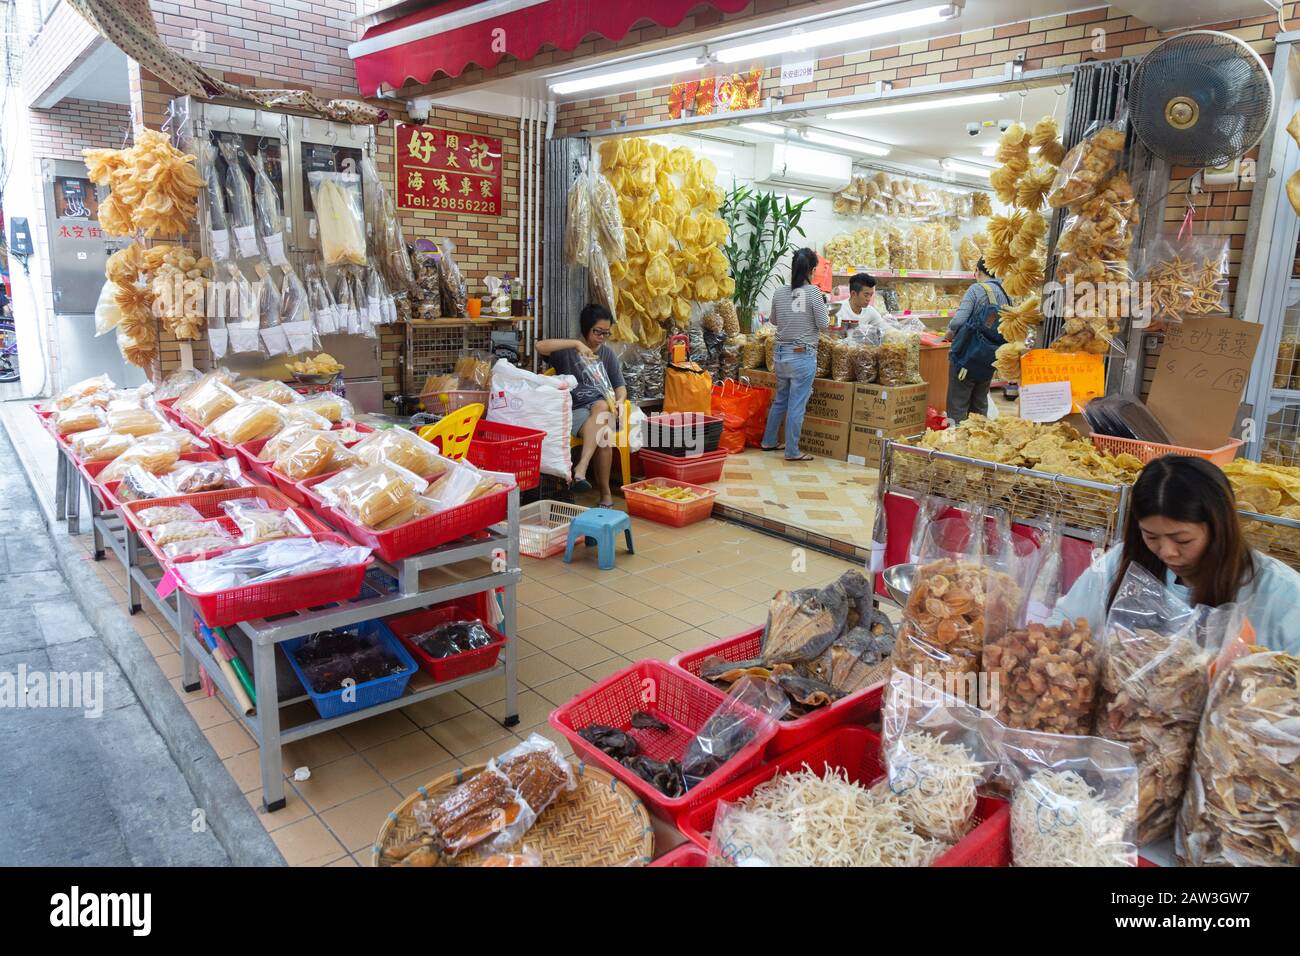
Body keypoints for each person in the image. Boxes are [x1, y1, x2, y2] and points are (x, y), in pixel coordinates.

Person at [1056, 455, 1300, 653]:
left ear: (1219, 529)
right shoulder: (1121, 562)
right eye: (1151, 537)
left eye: (1182, 539)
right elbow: (1063, 622)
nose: (1167, 552)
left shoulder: (1283, 595)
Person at [536, 303, 627, 508]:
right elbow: (540, 346)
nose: (602, 337)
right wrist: (576, 345)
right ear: (586, 328)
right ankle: (604, 494)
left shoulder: (607, 355)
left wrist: (620, 401)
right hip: (574, 410)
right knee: (603, 434)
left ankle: (581, 469)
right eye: (597, 332)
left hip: (600, 407)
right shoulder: (567, 351)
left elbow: (620, 387)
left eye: (606, 333)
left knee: (602, 406)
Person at [760, 248, 829, 461]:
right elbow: (824, 324)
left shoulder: (780, 291)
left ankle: (768, 441)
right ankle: (792, 451)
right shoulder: (814, 293)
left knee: (780, 400)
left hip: (780, 354)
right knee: (797, 403)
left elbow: (773, 321)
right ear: (812, 270)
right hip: (802, 355)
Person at [944, 257, 1008, 423]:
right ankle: (978, 440)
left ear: (979, 271)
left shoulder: (976, 289)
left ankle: (955, 444)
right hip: (989, 358)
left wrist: (948, 334)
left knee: (958, 403)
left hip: (967, 357)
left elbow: (958, 321)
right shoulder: (1006, 293)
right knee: (980, 403)